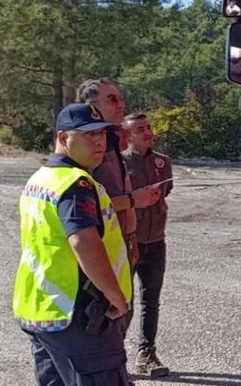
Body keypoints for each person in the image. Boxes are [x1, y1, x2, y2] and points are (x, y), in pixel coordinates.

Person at [12, 103, 132, 386]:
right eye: (88, 135)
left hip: (41, 311)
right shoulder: (76, 184)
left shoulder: (41, 179)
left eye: (101, 134)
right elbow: (83, 242)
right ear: (64, 138)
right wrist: (115, 295)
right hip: (78, 316)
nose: (99, 141)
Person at [76, 78, 160, 344]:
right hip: (102, 246)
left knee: (124, 314)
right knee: (107, 319)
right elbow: (87, 204)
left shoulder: (111, 141)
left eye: (120, 97)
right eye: (112, 99)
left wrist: (131, 238)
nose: (121, 103)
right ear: (93, 106)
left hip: (124, 242)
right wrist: (134, 200)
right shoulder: (88, 150)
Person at [122, 112, 173, 377]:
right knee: (121, 302)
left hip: (156, 242)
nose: (147, 132)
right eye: (140, 129)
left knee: (151, 300)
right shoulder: (118, 163)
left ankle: (146, 353)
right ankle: (114, 357)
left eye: (149, 127)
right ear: (127, 136)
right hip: (127, 243)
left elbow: (168, 192)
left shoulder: (163, 162)